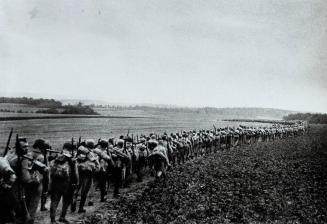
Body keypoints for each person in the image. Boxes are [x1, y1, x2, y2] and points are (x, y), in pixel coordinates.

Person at [49, 142, 78, 224]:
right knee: (66, 200)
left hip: (56, 181)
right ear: (71, 149)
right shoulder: (71, 158)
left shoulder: (56, 155)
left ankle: (53, 220)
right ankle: (62, 217)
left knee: (54, 201)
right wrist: (76, 182)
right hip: (68, 182)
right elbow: (75, 172)